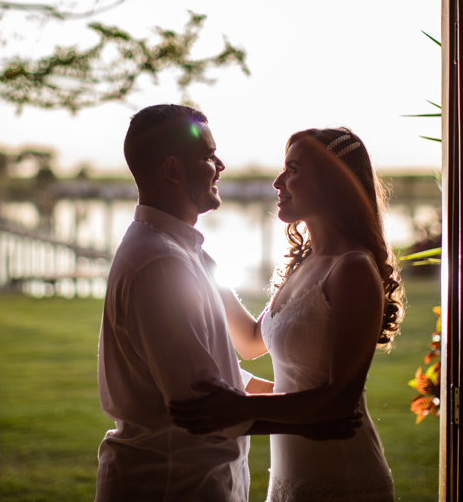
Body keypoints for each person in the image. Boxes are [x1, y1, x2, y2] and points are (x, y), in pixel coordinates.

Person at [96, 108, 360, 502]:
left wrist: (298, 398)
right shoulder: (161, 262)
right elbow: (202, 409)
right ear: (173, 170)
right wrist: (310, 419)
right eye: (208, 156)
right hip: (172, 484)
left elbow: (223, 367)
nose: (220, 165)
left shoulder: (186, 253)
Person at [170, 127, 405, 502]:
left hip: (341, 477)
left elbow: (340, 401)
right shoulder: (305, 265)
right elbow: (249, 342)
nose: (278, 181)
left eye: (292, 169)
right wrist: (199, 260)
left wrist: (237, 412)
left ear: (332, 182)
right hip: (290, 476)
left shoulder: (353, 268)